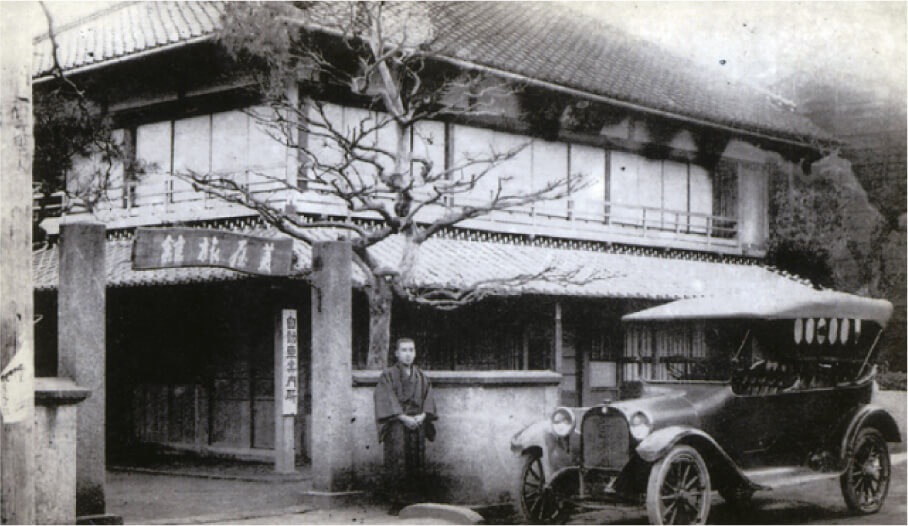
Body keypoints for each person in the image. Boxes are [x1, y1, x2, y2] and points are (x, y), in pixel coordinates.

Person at [373, 338, 437, 511]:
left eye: (411, 350)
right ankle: (397, 501)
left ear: (415, 353)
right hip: (397, 425)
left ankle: (415, 499)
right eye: (404, 350)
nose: (408, 354)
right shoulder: (388, 375)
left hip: (418, 423)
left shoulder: (422, 376)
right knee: (398, 461)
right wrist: (403, 417)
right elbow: (386, 398)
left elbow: (428, 399)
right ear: (396, 353)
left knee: (417, 459)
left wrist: (423, 416)